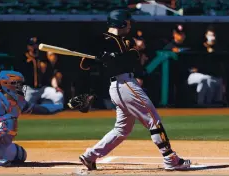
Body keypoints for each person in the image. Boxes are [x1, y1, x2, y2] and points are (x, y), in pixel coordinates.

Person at [68, 9, 191, 171]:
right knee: (153, 119)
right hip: (121, 84)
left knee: (122, 129)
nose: (130, 24)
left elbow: (132, 57)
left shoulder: (126, 41)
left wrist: (114, 57)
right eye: (127, 21)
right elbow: (84, 64)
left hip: (126, 82)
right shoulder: (99, 41)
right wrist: (99, 59)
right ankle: (170, 159)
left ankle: (90, 155)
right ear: (120, 22)